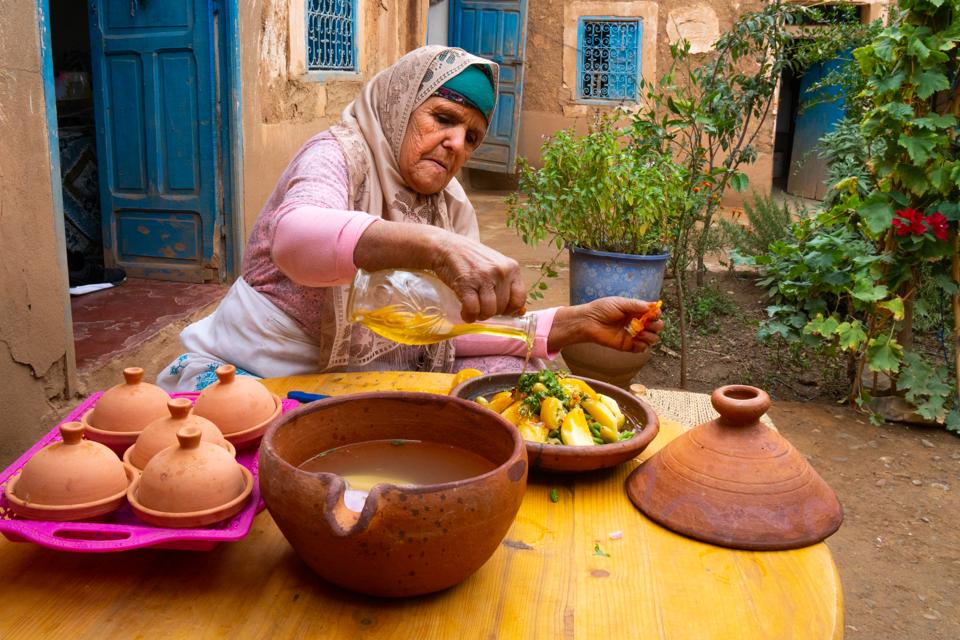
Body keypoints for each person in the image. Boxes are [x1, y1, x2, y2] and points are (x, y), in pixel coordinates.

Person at [157, 46, 662, 392]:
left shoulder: (449, 205)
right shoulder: (339, 155)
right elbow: (294, 239)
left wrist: (574, 323)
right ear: (400, 105)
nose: (457, 145)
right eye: (442, 118)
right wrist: (434, 248)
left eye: (472, 137)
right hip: (248, 376)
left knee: (519, 377)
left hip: (344, 388)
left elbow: (442, 326)